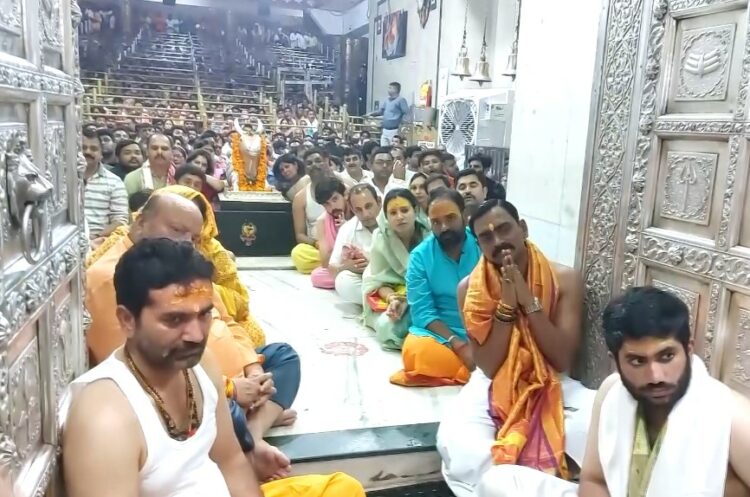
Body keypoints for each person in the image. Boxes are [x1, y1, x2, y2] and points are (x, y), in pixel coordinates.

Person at [64, 238, 366, 497]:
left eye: (204, 315)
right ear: (127, 320)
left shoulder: (200, 365)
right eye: (175, 319)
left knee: (343, 488)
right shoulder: (105, 417)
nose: (197, 335)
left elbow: (231, 461)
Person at [84, 194, 299, 480]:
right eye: (177, 230)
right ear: (140, 223)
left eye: (193, 237)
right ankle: (249, 423)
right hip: (190, 386)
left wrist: (253, 369)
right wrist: (230, 389)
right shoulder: (108, 278)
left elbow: (230, 321)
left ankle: (253, 433)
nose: (185, 243)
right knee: (213, 409)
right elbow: (140, 368)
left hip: (226, 378)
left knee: (283, 357)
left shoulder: (187, 267)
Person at [475, 286, 750, 497]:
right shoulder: (611, 392)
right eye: (637, 361)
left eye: (667, 356)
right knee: (499, 481)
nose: (656, 376)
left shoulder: (733, 419)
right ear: (615, 361)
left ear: (688, 349)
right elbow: (594, 480)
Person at [437, 199, 595, 497]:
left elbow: (561, 358)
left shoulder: (564, 279)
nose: (498, 241)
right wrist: (507, 306)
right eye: (486, 237)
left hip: (551, 378)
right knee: (459, 445)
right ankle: (529, 479)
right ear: (479, 245)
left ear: (523, 228)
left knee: (596, 423)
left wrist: (528, 300)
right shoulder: (470, 289)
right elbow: (488, 367)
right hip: (492, 382)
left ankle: (524, 482)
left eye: (504, 229)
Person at [390, 189, 480, 387]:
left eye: (450, 218)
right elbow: (423, 312)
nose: (444, 227)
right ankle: (477, 370)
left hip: (485, 329)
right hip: (443, 334)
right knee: (416, 351)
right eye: (436, 222)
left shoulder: (481, 244)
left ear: (464, 215)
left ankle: (470, 369)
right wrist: (458, 344)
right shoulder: (420, 257)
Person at [363, 189, 430, 350]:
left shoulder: (429, 236)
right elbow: (378, 283)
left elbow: (435, 277)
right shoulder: (380, 239)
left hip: (425, 293)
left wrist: (412, 297)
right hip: (394, 294)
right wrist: (393, 299)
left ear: (415, 210)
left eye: (405, 210)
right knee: (385, 326)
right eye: (393, 213)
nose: (399, 217)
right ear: (386, 217)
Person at [290, 149, 355, 274]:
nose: (314, 165)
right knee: (299, 253)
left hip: (346, 241)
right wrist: (318, 244)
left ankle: (338, 265)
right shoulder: (300, 197)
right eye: (309, 163)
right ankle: (341, 265)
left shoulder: (345, 189)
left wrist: (344, 230)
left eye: (318, 161)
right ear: (305, 168)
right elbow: (300, 235)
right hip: (319, 246)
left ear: (326, 162)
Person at [328, 184, 379, 305]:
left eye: (368, 206)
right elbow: (332, 269)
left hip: (393, 275)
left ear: (379, 202)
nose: (365, 214)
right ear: (352, 209)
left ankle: (379, 302)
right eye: (358, 210)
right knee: (342, 280)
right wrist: (346, 266)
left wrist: (371, 263)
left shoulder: (391, 220)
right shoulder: (347, 229)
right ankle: (379, 301)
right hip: (367, 281)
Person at [82, 128, 129, 242]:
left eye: (94, 149)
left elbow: (120, 220)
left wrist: (95, 237)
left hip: (99, 242)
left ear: (101, 155)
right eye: (83, 148)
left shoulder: (115, 182)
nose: (88, 152)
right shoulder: (63, 180)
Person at [369, 82, 410, 146]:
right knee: (383, 148)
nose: (388, 90)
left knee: (393, 148)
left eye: (390, 88)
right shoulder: (387, 100)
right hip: (385, 129)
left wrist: (402, 126)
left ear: (395, 89)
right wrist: (370, 114)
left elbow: (406, 113)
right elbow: (381, 111)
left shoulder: (401, 100)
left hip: (395, 130)